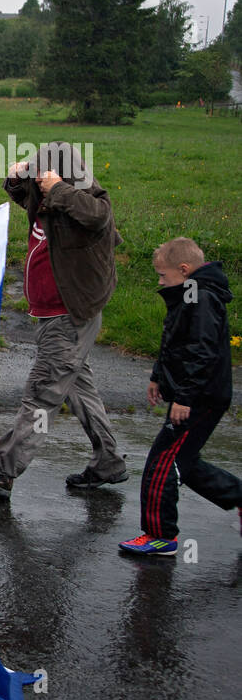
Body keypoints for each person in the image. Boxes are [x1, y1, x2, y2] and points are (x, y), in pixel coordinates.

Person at [0, 142, 126, 508]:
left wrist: (58, 187)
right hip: (54, 314)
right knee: (78, 387)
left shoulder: (87, 203)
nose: (38, 182)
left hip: (68, 316)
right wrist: (15, 179)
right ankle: (108, 461)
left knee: (44, 392)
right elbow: (26, 199)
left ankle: (1, 469)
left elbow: (97, 216)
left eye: (42, 174)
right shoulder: (50, 201)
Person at [119, 238, 241, 555]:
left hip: (202, 397)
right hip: (197, 393)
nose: (160, 282)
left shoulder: (201, 297)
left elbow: (203, 353)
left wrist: (184, 398)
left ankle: (161, 535)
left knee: (163, 463)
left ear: (184, 270)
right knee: (184, 463)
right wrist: (158, 376)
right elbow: (173, 341)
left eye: (163, 275)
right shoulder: (189, 293)